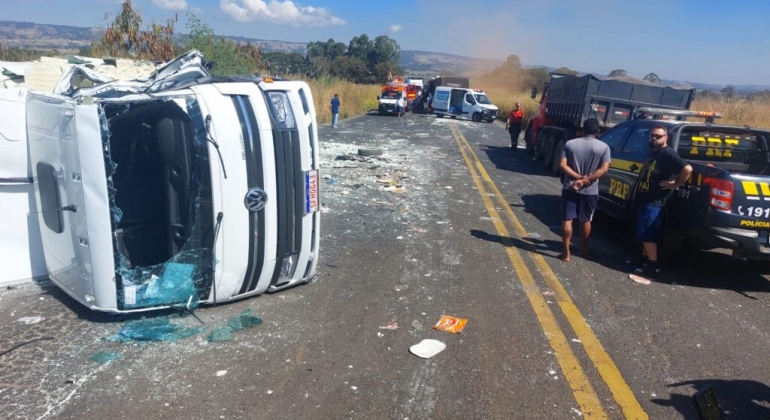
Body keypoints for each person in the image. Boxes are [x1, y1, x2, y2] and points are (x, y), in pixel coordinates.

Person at [630, 125, 693, 277]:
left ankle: (653, 264)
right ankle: (644, 259)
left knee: (647, 233)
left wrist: (676, 184)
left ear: (666, 138)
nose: (654, 138)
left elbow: (687, 169)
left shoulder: (668, 153)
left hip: (655, 201)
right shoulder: (654, 153)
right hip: (645, 198)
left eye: (658, 136)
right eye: (652, 135)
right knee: (644, 232)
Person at [558, 118, 611, 262]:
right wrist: (585, 181)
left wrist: (578, 178)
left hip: (570, 187)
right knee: (586, 219)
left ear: (582, 130)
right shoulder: (604, 147)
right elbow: (604, 169)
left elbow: (562, 165)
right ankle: (583, 249)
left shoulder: (570, 144)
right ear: (597, 131)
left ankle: (566, 254)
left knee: (567, 219)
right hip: (590, 190)